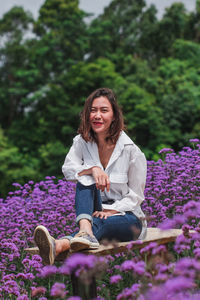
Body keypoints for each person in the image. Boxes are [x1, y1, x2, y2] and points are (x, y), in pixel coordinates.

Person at [34, 87, 147, 265]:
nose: (97, 115)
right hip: (93, 212)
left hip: (127, 217)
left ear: (114, 116)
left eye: (104, 110)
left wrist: (113, 210)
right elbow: (68, 169)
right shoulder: (81, 142)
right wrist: (92, 168)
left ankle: (60, 244)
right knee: (85, 177)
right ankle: (85, 231)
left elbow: (136, 197)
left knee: (101, 224)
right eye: (92, 110)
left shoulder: (131, 150)